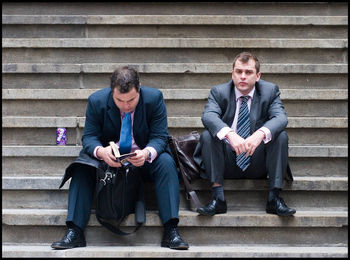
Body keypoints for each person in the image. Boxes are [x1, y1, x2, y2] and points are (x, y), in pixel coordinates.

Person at [51, 66, 189, 250]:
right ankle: (75, 231)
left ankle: (171, 230)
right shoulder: (96, 101)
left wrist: (147, 153)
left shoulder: (154, 99)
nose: (126, 105)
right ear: (111, 92)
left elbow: (160, 137)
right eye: (119, 100)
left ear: (139, 88)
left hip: (143, 160)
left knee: (166, 161)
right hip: (107, 161)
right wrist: (101, 152)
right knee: (81, 166)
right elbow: (89, 137)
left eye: (131, 99)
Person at [193, 52, 296, 217]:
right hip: (225, 162)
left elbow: (281, 118)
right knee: (207, 136)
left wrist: (260, 134)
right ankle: (218, 198)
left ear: (257, 76)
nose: (242, 76)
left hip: (257, 161)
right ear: (232, 73)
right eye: (238, 71)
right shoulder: (219, 92)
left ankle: (274, 198)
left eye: (248, 72)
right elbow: (208, 116)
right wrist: (230, 134)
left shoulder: (270, 91)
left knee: (280, 136)